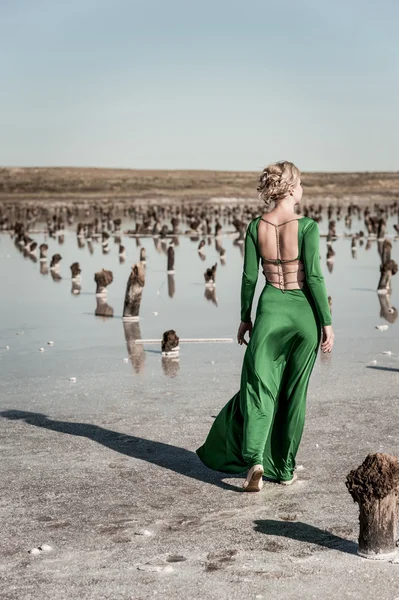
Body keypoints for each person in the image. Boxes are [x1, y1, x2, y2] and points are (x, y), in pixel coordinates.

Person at [196, 160, 334, 492]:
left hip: (270, 309)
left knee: (260, 389)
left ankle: (256, 460)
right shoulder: (307, 228)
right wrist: (326, 322)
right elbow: (313, 277)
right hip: (303, 315)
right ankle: (284, 470)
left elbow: (248, 277)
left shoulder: (256, 226)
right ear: (289, 188)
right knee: (293, 394)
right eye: (300, 183)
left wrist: (245, 317)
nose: (303, 189)